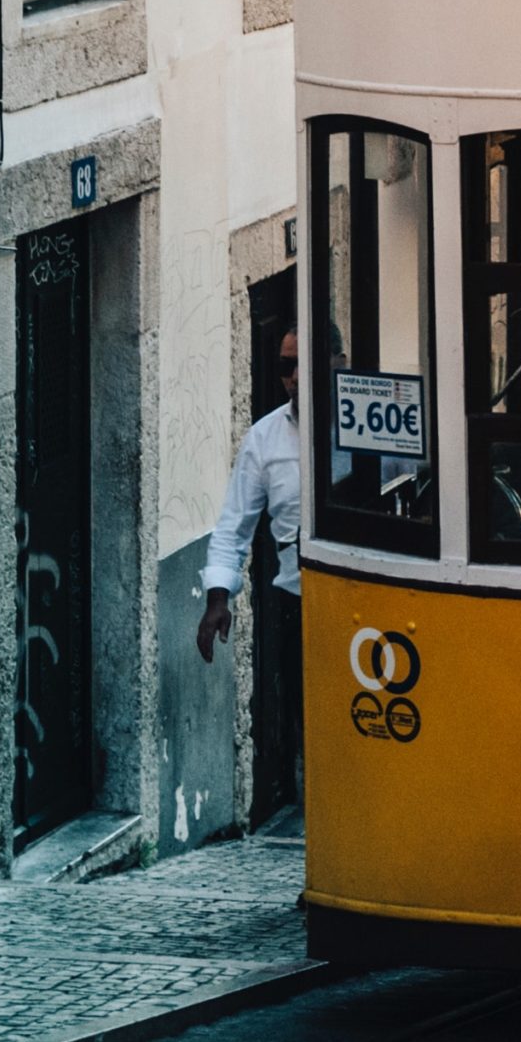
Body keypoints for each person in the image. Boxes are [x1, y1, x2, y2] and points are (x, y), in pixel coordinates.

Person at [199, 333, 306, 781]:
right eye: (285, 367)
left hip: (373, 596)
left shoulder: (372, 418)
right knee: (307, 717)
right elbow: (233, 525)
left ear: (338, 361)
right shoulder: (264, 439)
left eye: (306, 363)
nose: (295, 378)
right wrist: (217, 599)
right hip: (297, 601)